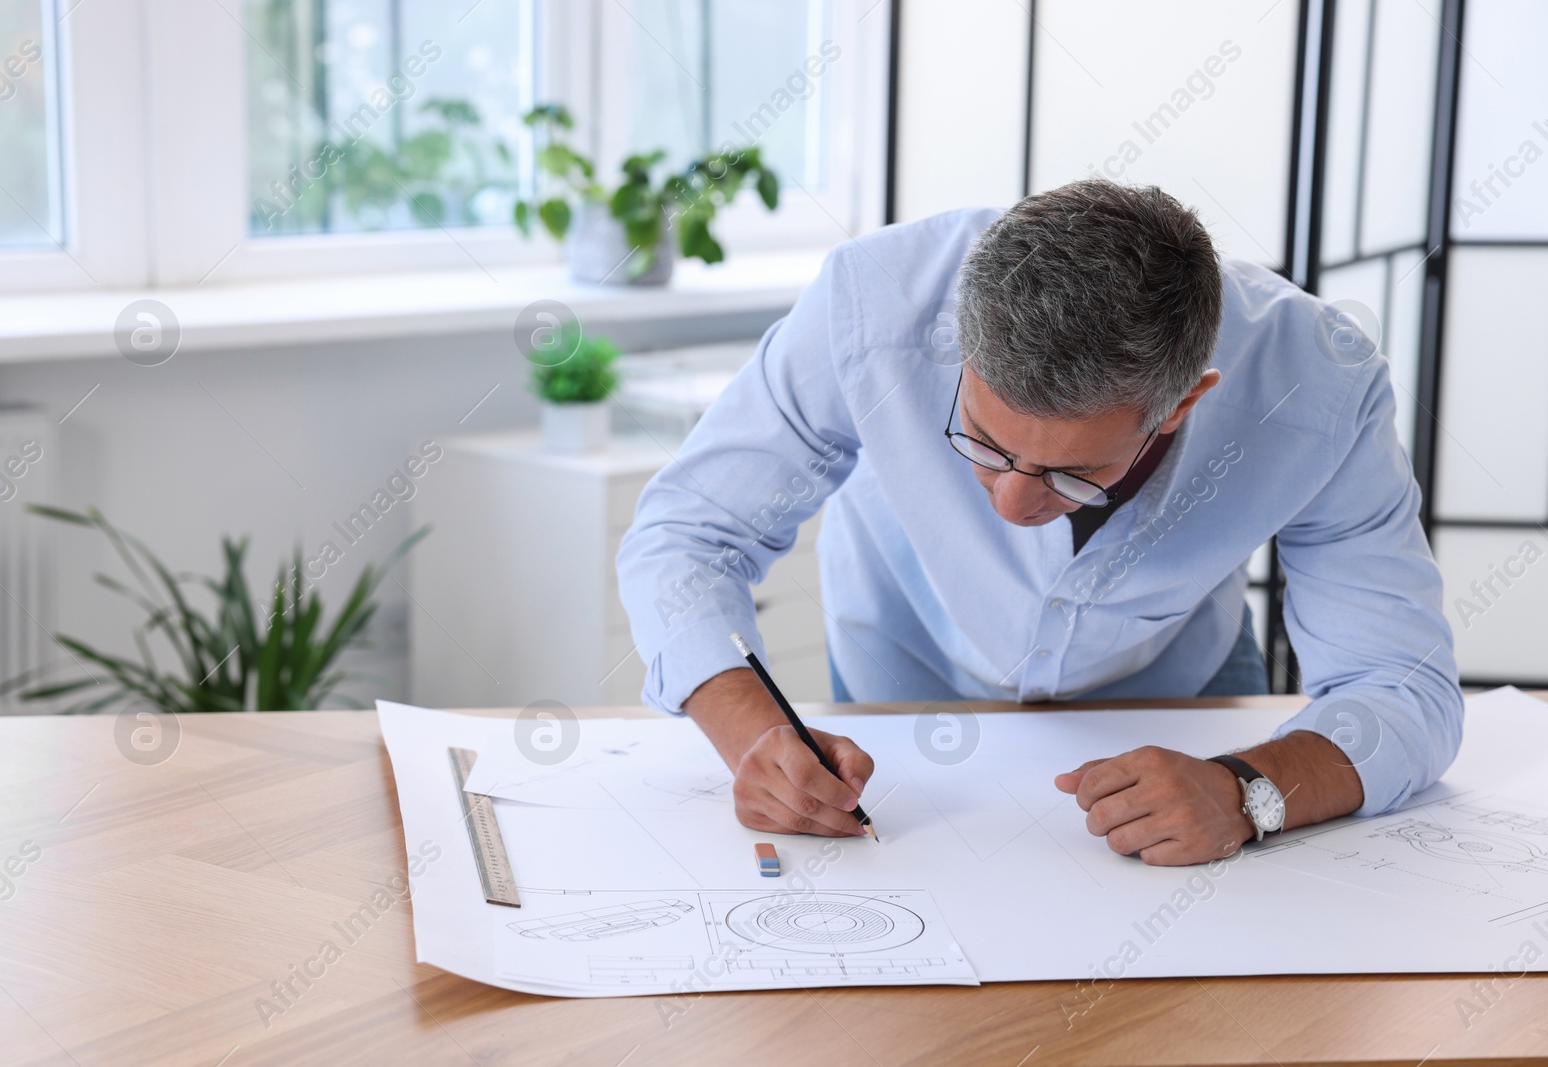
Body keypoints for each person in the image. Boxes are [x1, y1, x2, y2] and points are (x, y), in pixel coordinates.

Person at [615, 180, 1462, 866]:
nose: (1013, 505)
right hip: (903, 667)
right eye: (980, 443)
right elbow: (691, 536)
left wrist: (1246, 791)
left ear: (1183, 404)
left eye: (1073, 471)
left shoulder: (1319, 388)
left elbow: (1402, 683)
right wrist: (754, 733)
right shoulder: (870, 307)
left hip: (1178, 693)